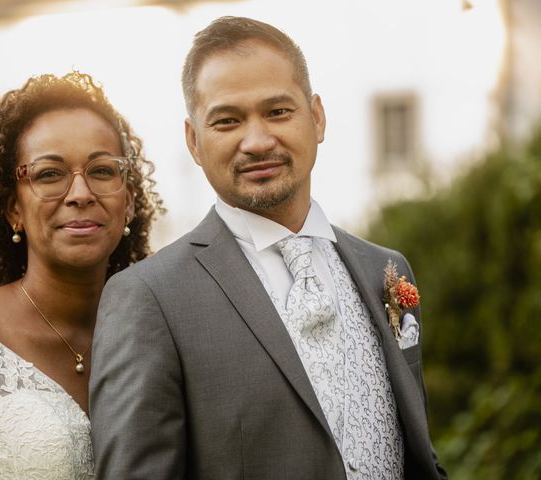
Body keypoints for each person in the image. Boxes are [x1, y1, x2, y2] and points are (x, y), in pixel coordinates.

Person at [90, 16, 447, 480]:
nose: (257, 141)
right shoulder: (148, 298)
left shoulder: (387, 269)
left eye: (278, 112)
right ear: (194, 141)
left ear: (316, 118)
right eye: (228, 120)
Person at [0, 71, 162, 479]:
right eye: (49, 174)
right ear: (13, 209)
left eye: (102, 170)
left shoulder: (161, 334)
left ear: (128, 202)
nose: (80, 193)